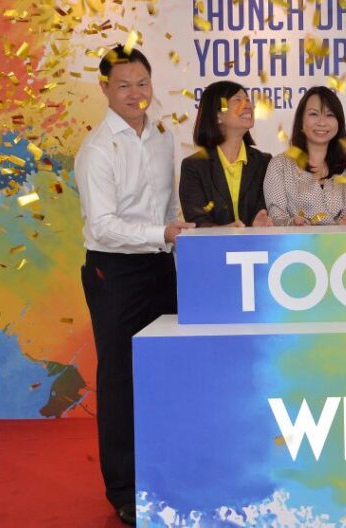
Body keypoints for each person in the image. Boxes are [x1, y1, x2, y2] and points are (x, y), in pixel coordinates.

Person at [75, 45, 193, 526]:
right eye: (123, 84)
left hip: (160, 264)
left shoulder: (163, 135)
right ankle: (124, 489)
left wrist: (172, 235)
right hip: (115, 270)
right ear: (104, 89)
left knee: (167, 371)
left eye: (142, 82)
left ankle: (168, 471)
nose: (135, 93)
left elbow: (166, 207)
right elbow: (102, 226)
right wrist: (159, 234)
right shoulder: (97, 148)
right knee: (121, 379)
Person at [264, 86, 346, 226]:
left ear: (339, 123)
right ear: (301, 120)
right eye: (314, 114)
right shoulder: (280, 165)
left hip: (342, 246)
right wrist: (293, 223)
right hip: (295, 246)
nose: (322, 122)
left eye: (330, 115)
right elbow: (276, 216)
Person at [179, 81, 273, 228]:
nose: (248, 105)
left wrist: (261, 223)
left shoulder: (264, 162)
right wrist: (224, 231)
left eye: (247, 99)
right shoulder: (194, 166)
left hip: (256, 249)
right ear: (218, 115)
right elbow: (197, 222)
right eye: (238, 100)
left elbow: (264, 212)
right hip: (212, 250)